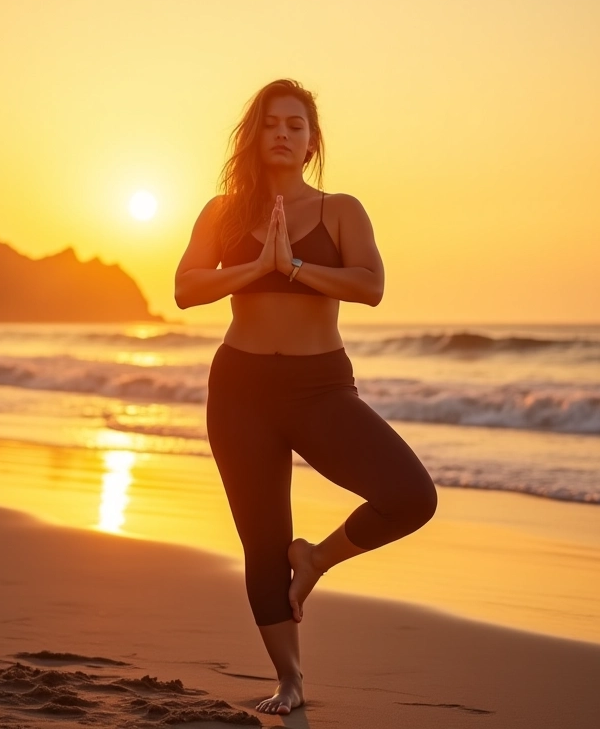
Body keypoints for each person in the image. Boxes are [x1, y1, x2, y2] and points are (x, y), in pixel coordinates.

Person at [174, 78, 437, 716]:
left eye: (296, 125)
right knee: (262, 542)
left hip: (320, 388)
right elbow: (187, 288)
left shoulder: (342, 209)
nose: (284, 134)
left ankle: (316, 558)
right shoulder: (222, 213)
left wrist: (293, 267)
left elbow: (370, 286)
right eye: (272, 123)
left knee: (411, 496)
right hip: (240, 389)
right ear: (255, 135)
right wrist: (259, 264)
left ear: (312, 140)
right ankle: (289, 680)